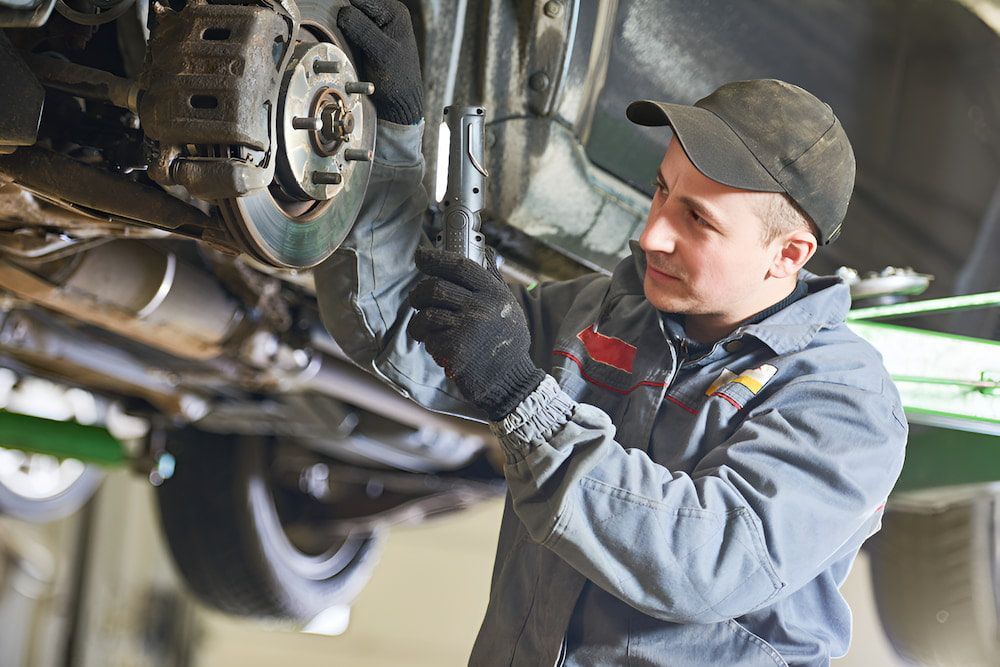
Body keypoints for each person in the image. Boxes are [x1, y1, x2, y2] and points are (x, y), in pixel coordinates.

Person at [320, 2, 907, 665]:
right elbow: (400, 329)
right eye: (660, 192)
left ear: (788, 256)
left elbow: (705, 559)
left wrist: (521, 395)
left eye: (697, 219)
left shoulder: (844, 402)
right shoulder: (600, 311)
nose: (653, 232)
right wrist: (391, 133)